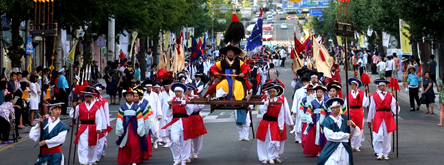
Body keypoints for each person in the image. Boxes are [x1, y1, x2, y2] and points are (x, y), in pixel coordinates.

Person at [257, 84, 293, 164]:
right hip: (265, 122)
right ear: (268, 93)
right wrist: (266, 103)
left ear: (276, 92)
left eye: (274, 91)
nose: (272, 93)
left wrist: (281, 126)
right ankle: (264, 157)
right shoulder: (265, 100)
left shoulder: (280, 101)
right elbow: (262, 111)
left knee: (274, 141)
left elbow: (281, 114)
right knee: (263, 140)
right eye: (270, 91)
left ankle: (272, 156)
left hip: (274, 123)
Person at [161, 83, 197, 165]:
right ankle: (177, 158)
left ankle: (184, 159)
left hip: (185, 121)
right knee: (175, 140)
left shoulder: (187, 100)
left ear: (182, 92)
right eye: (176, 91)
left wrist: (186, 105)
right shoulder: (172, 100)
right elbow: (168, 114)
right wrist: (169, 106)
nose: (177, 93)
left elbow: (190, 112)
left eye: (179, 91)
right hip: (175, 122)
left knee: (185, 141)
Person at [317, 98, 358, 165]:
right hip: (332, 147)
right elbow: (330, 136)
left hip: (345, 148)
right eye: (333, 108)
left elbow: (353, 133)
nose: (335, 109)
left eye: (337, 107)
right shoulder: (327, 120)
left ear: (340, 107)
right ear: (331, 109)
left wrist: (353, 126)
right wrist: (346, 136)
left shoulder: (345, 118)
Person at [367, 79, 399, 160]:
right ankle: (379, 152)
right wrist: (369, 119)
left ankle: (385, 153)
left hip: (388, 116)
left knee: (387, 135)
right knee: (378, 134)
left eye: (384, 86)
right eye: (381, 86)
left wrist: (397, 106)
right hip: (378, 116)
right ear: (378, 86)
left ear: (386, 86)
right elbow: (371, 108)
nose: (382, 87)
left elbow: (394, 109)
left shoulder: (390, 96)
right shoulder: (374, 96)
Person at [70, 90, 104, 165]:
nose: (88, 98)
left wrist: (98, 128)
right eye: (86, 97)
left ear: (92, 98)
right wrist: (74, 108)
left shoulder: (95, 107)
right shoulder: (80, 106)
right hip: (83, 127)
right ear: (84, 98)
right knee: (83, 145)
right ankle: (83, 161)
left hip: (92, 128)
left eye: (89, 97)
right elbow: (73, 115)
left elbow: (99, 118)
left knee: (92, 146)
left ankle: (91, 160)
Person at [116, 88, 144, 165]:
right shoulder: (122, 107)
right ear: (125, 97)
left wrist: (140, 128)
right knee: (125, 144)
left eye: (131, 96)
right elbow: (119, 119)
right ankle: (126, 159)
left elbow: (140, 119)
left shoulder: (136, 107)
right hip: (125, 127)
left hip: (134, 127)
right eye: (127, 96)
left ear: (133, 97)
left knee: (134, 143)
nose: (129, 97)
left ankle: (135, 160)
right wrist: (120, 128)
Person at [304, 85, 328, 156]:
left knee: (324, 134)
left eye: (321, 92)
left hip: (324, 120)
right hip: (315, 120)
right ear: (316, 93)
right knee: (315, 136)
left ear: (323, 93)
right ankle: (316, 150)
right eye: (318, 92)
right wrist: (309, 119)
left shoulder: (326, 101)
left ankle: (323, 150)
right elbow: (308, 112)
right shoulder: (312, 102)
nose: (319, 93)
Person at [347, 77, 369, 152]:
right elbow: (346, 105)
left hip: (359, 111)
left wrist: (368, 96)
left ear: (357, 86)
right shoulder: (348, 94)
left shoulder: (362, 93)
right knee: (351, 128)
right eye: (352, 85)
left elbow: (365, 104)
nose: (353, 86)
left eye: (354, 85)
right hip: (351, 112)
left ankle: (356, 145)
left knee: (359, 129)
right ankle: (352, 144)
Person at [185, 85, 206, 159]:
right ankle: (189, 152)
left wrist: (193, 103)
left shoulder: (196, 97)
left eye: (189, 90)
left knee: (198, 137)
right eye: (187, 90)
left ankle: (196, 152)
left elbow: (201, 106)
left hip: (196, 118)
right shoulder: (183, 99)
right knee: (188, 136)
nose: (188, 92)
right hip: (187, 118)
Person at [143, 81, 162, 148]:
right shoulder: (143, 95)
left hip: (154, 114)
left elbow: (158, 105)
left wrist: (159, 114)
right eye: (147, 87)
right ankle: (150, 141)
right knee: (148, 129)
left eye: (149, 87)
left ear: (151, 87)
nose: (148, 88)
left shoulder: (155, 95)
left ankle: (155, 141)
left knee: (156, 129)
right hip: (146, 115)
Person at [159, 79, 175, 147]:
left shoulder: (173, 93)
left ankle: (172, 140)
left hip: (171, 111)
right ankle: (166, 140)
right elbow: (159, 104)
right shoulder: (161, 94)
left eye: (169, 86)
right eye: (166, 86)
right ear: (164, 87)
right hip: (164, 111)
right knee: (164, 127)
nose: (168, 87)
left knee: (171, 126)